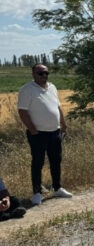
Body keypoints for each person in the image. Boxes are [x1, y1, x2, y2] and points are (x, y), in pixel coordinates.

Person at [17, 63, 72, 206]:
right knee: (38, 163)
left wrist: (63, 124)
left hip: (55, 132)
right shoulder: (27, 90)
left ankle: (57, 188)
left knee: (56, 161)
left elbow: (57, 107)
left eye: (46, 73)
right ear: (33, 74)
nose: (44, 76)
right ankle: (37, 193)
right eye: (40, 73)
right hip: (38, 134)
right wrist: (32, 129)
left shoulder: (52, 87)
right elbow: (22, 112)